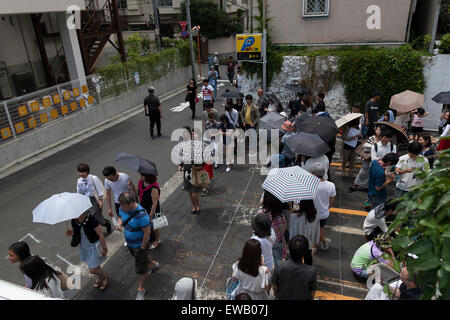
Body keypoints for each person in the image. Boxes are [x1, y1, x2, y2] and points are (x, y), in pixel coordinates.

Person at [117, 192, 159, 300]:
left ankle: (141, 289)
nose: (121, 208)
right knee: (141, 259)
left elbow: (147, 232)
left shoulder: (142, 216)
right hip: (130, 244)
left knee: (140, 267)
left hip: (139, 245)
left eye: (124, 205)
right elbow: (120, 216)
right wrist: (119, 222)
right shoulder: (123, 208)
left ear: (131, 203)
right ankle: (152, 264)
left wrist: (142, 247)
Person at [66, 209, 109, 291]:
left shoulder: (92, 219)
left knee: (92, 270)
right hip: (84, 247)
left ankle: (105, 276)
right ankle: (101, 277)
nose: (74, 216)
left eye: (76, 213)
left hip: (94, 246)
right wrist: (71, 232)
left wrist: (105, 248)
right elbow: (76, 233)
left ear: (82, 212)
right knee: (96, 266)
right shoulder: (74, 221)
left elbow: (100, 235)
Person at [271, 235, 317, 300]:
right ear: (305, 252)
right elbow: (312, 293)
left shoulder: (280, 265)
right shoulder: (311, 271)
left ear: (289, 250)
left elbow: (275, 288)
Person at [76, 163, 111, 233]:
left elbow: (100, 191)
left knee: (97, 218)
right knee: (89, 217)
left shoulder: (93, 178)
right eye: (79, 172)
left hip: (95, 199)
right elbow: (79, 192)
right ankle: (96, 233)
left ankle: (106, 224)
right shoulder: (79, 181)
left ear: (87, 171)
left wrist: (100, 201)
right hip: (86, 200)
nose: (80, 173)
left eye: (82, 172)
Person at [349, 126, 382, 193]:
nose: (378, 131)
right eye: (377, 130)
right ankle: (355, 185)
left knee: (372, 174)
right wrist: (374, 146)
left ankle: (368, 187)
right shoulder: (372, 138)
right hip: (368, 158)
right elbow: (365, 146)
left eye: (379, 130)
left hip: (376, 160)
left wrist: (375, 146)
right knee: (362, 172)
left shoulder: (383, 139)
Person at [310, 163, 335, 251]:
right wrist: (327, 207)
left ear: (315, 174)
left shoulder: (310, 185)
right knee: (319, 230)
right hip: (323, 213)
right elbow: (332, 199)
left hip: (312, 213)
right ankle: (322, 242)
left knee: (314, 231)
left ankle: (314, 247)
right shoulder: (331, 185)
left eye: (311, 172)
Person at [258, 191, 288, 264]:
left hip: (265, 243)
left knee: (265, 263)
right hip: (278, 243)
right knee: (278, 263)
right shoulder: (281, 216)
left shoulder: (261, 214)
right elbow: (284, 229)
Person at [178, 126, 202, 214]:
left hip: (195, 167)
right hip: (187, 167)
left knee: (194, 189)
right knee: (189, 190)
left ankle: (197, 206)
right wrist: (180, 164)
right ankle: (194, 206)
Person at [289, 200, 320, 266]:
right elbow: (317, 229)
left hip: (297, 244)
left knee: (296, 260)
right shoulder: (315, 215)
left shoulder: (294, 216)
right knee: (308, 259)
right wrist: (316, 241)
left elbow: (291, 232)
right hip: (309, 243)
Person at [137, 173, 161, 249]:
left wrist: (151, 214)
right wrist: (130, 185)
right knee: (145, 224)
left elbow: (155, 203)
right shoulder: (141, 182)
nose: (140, 177)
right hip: (143, 207)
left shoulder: (154, 187)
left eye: (142, 175)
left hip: (152, 209)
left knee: (154, 225)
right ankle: (147, 238)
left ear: (147, 177)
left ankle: (157, 240)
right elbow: (137, 192)